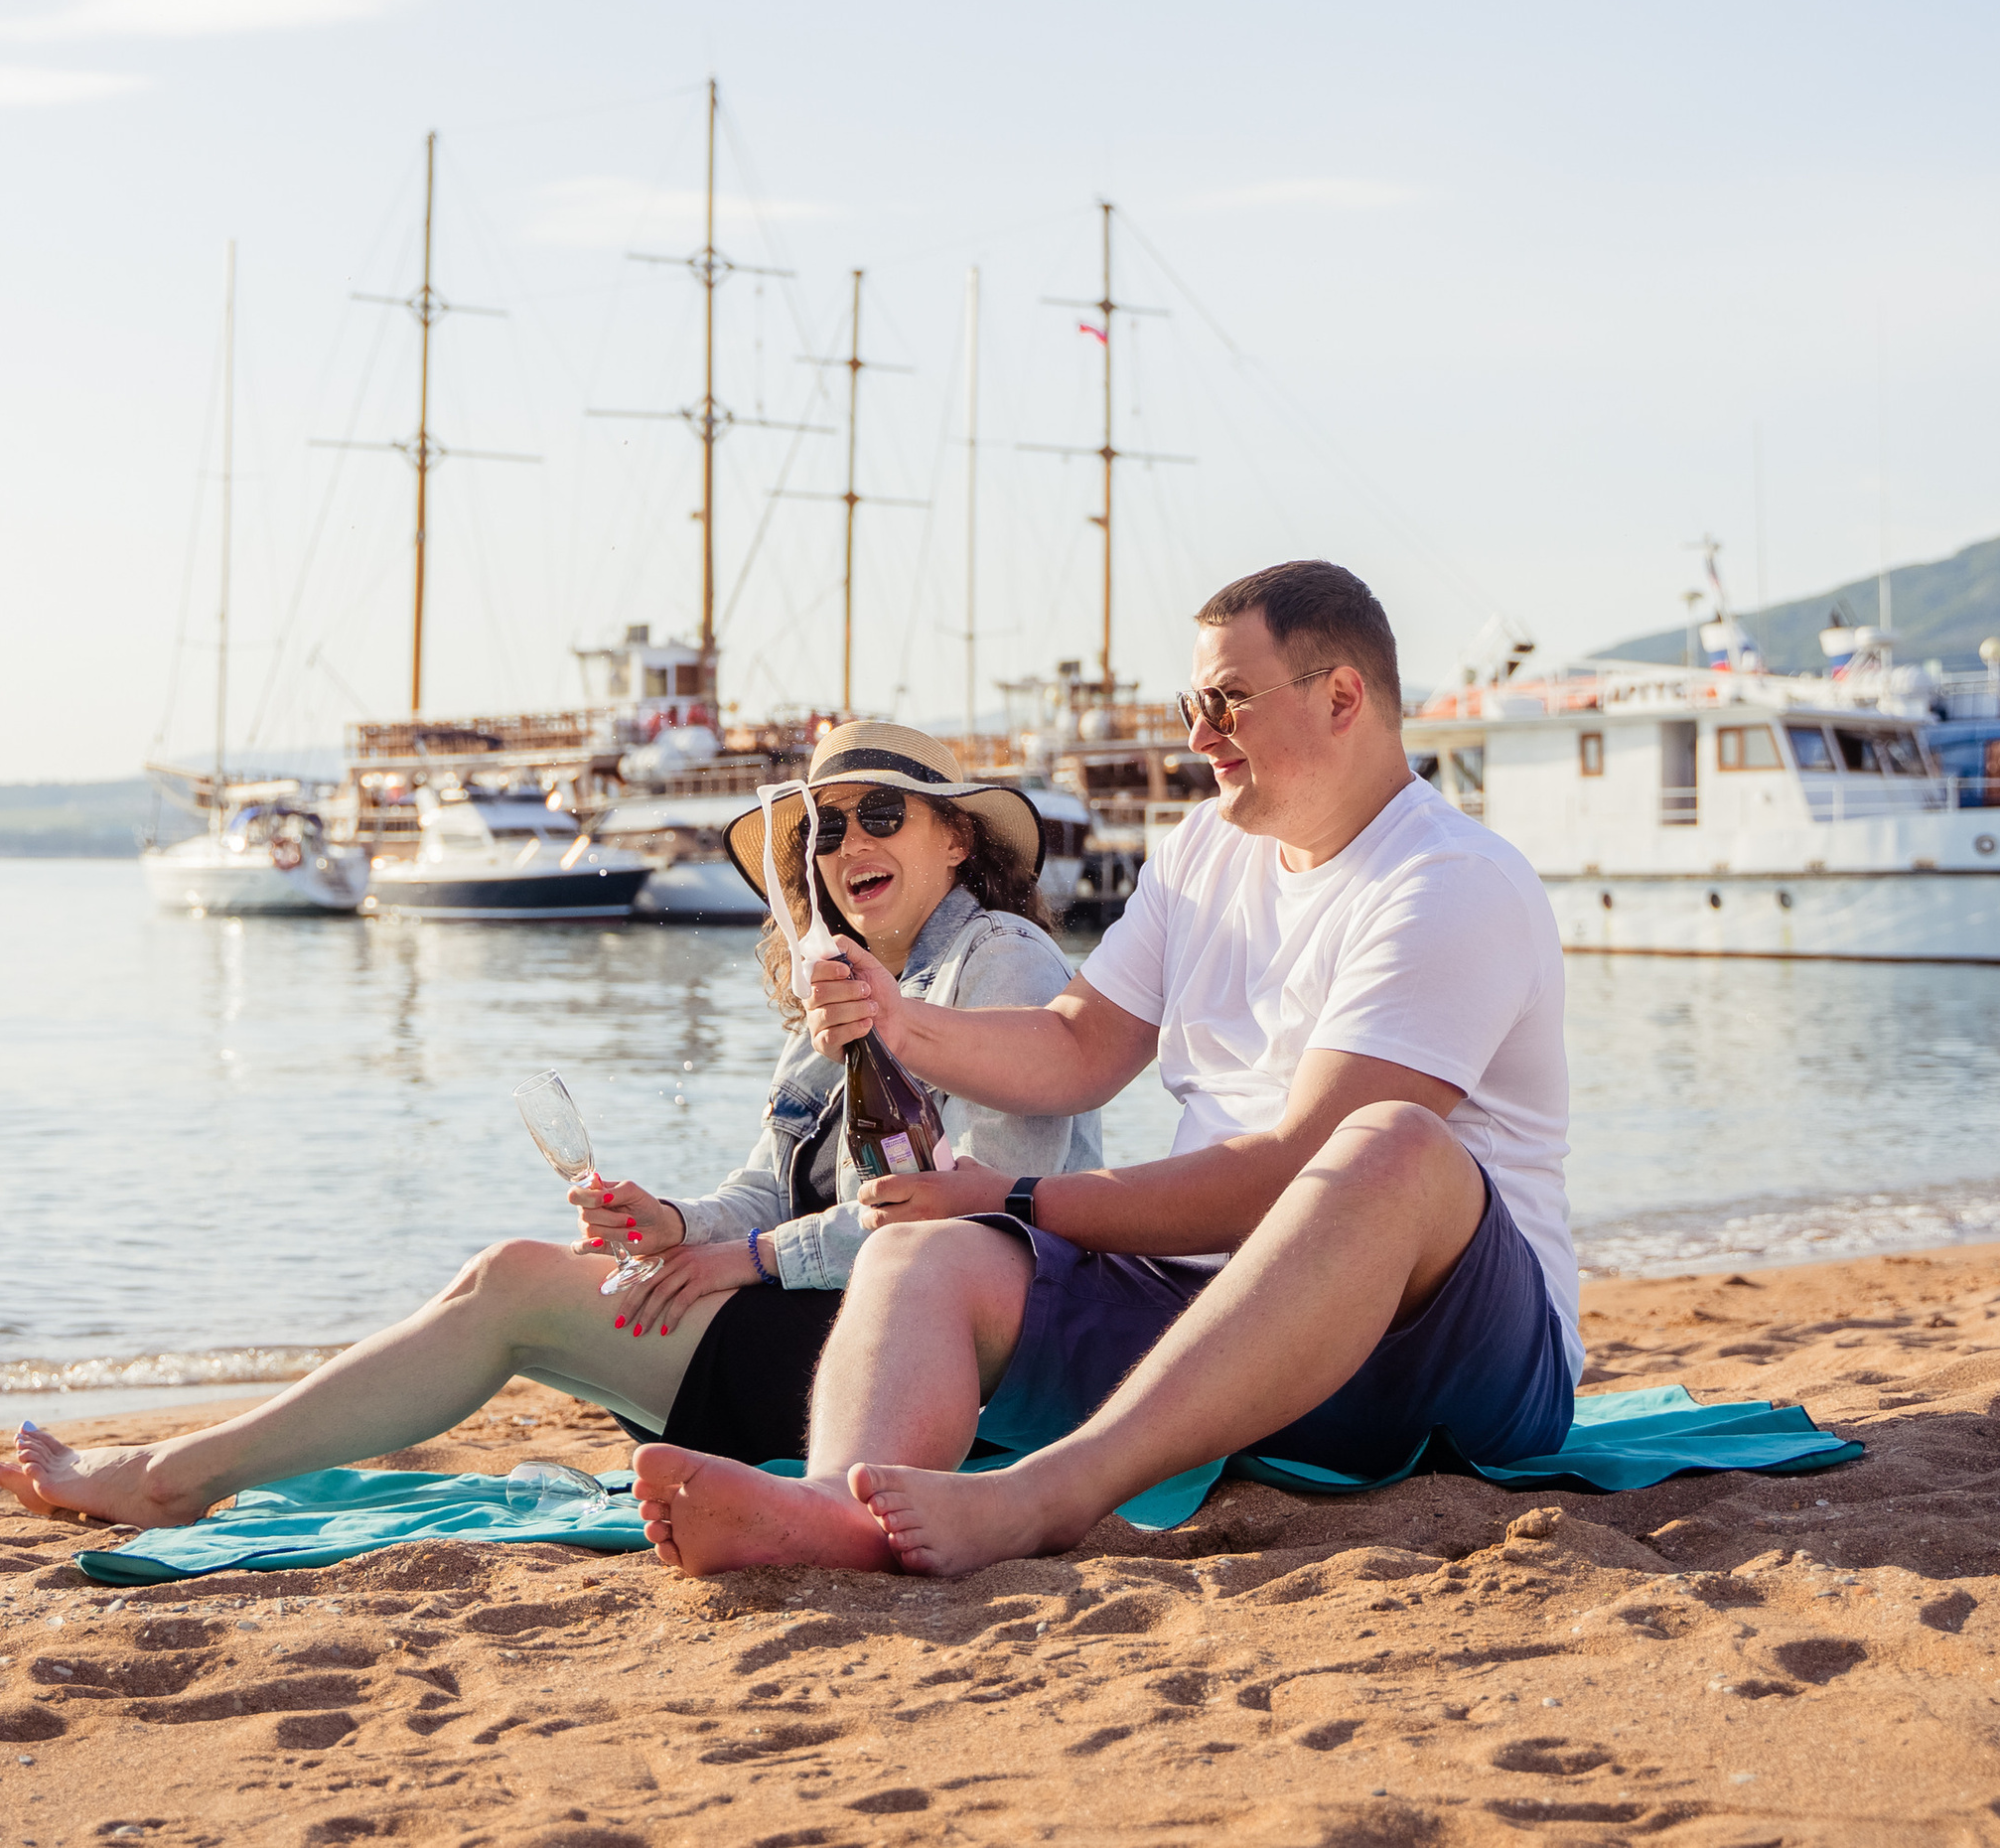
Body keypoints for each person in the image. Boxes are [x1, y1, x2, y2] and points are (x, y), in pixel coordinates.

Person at [632, 560, 1578, 1580]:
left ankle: (1054, 1490)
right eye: (1192, 704)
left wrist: (1019, 1196)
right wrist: (900, 1020)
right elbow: (1079, 1045)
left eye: (1225, 703)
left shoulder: (1448, 881)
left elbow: (1289, 1171)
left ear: (1340, 695)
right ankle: (839, 1507)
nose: (1196, 736)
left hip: (1445, 1351)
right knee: (928, 1250)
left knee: (1389, 1144)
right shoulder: (1201, 852)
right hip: (1212, 1336)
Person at [0, 722, 1096, 1527]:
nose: (847, 837)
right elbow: (769, 1183)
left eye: (882, 813)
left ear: (956, 839)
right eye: (825, 823)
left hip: (948, 1369)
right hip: (823, 1336)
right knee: (515, 1278)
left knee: (513, 1284)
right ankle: (177, 1470)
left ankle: (172, 1476)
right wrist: (672, 1219)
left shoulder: (995, 956)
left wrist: (747, 1259)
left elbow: (981, 1215)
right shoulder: (837, 984)